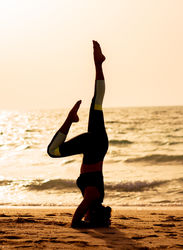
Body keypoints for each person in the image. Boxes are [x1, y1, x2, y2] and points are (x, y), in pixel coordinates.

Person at [47, 41, 111, 228]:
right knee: (53, 151)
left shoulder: (96, 197)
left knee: (97, 102)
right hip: (92, 148)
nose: (86, 216)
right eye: (88, 216)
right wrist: (80, 223)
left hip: (100, 146)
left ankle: (98, 64)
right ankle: (69, 119)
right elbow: (77, 221)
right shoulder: (93, 198)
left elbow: (90, 202)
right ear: (91, 213)